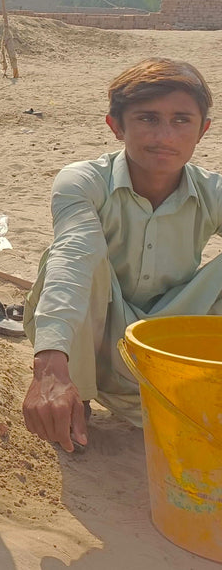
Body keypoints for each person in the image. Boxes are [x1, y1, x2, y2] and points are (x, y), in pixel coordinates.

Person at [22, 58, 222, 451]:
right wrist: (48, 364)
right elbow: (73, 259)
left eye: (181, 120)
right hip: (94, 339)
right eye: (148, 118)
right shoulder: (83, 181)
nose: (165, 135)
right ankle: (72, 397)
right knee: (81, 257)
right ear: (116, 126)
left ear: (203, 131)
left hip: (168, 340)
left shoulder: (212, 192)